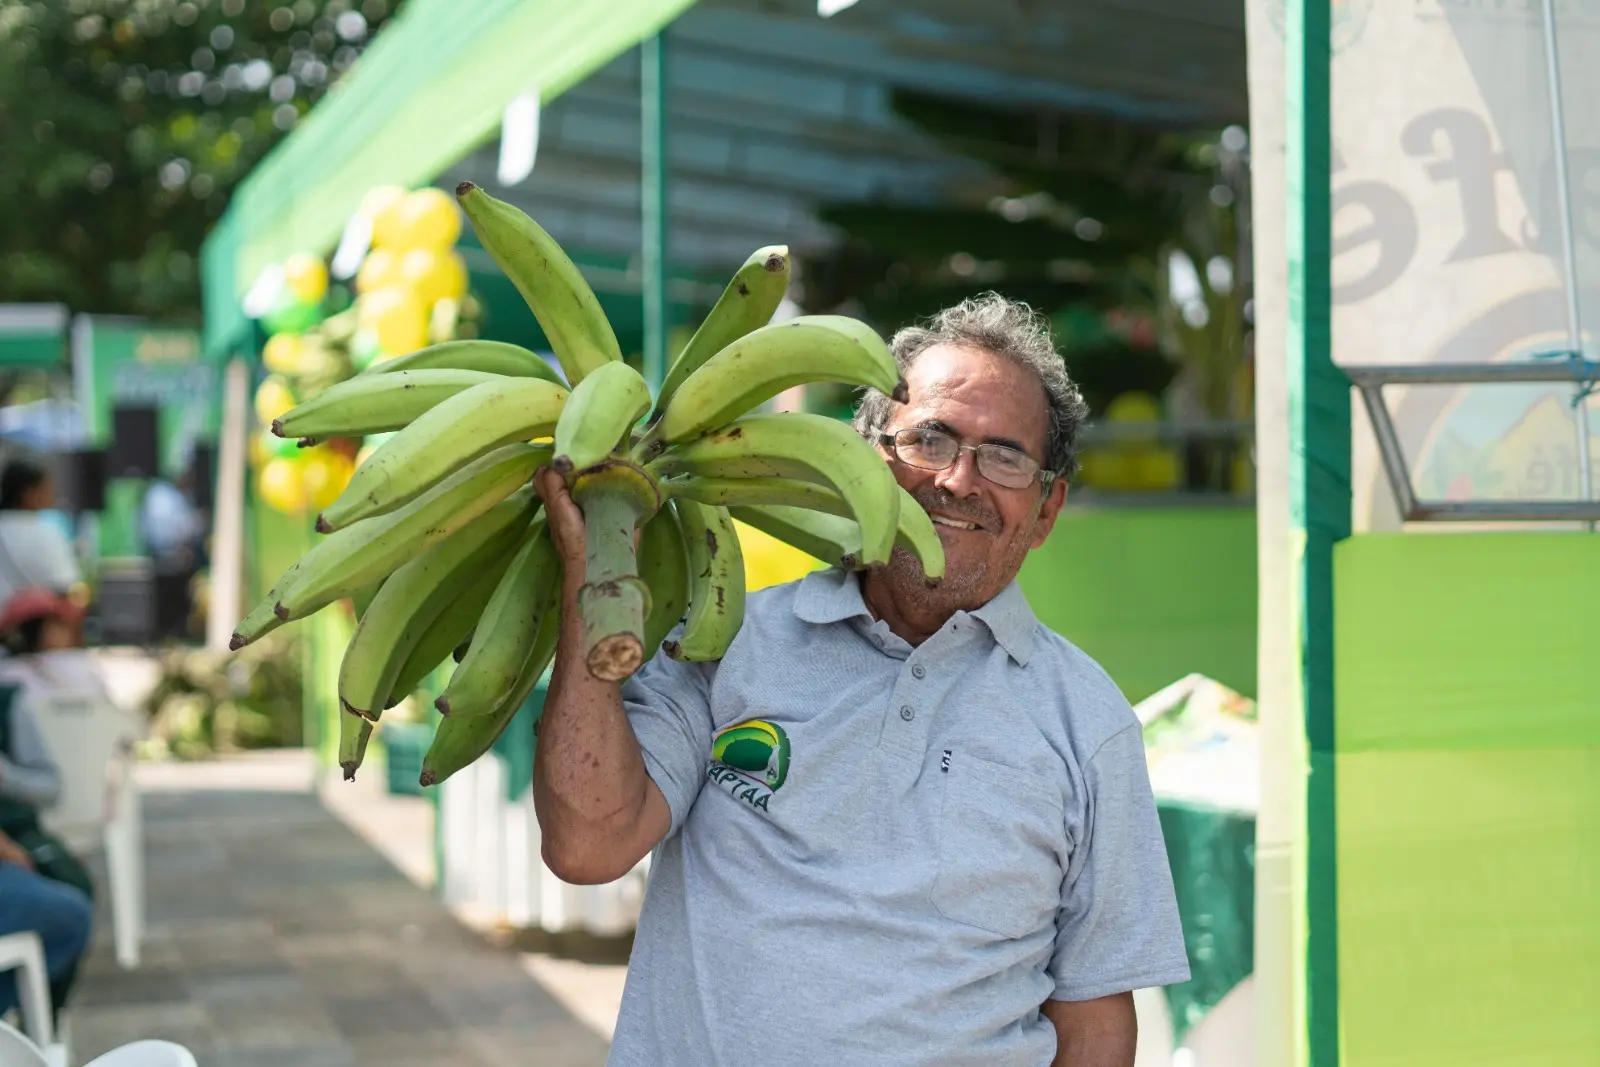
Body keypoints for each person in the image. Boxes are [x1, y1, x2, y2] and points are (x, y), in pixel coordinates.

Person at [532, 293, 1189, 1067]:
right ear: (866, 456)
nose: (958, 479)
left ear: (1045, 511)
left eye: (1005, 455)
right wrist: (592, 577)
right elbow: (587, 843)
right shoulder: (725, 640)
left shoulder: (1085, 720)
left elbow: (1096, 1018)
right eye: (931, 438)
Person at [0, 587, 96, 1025]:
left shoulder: (11, 697)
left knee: (71, 891)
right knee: (66, 910)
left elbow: (48, 786)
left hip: (19, 826)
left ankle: (43, 1025)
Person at [0, 459, 83, 609]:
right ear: (28, 493)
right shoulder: (45, 531)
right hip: (29, 626)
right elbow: (66, 585)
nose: (52, 494)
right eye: (47, 488)